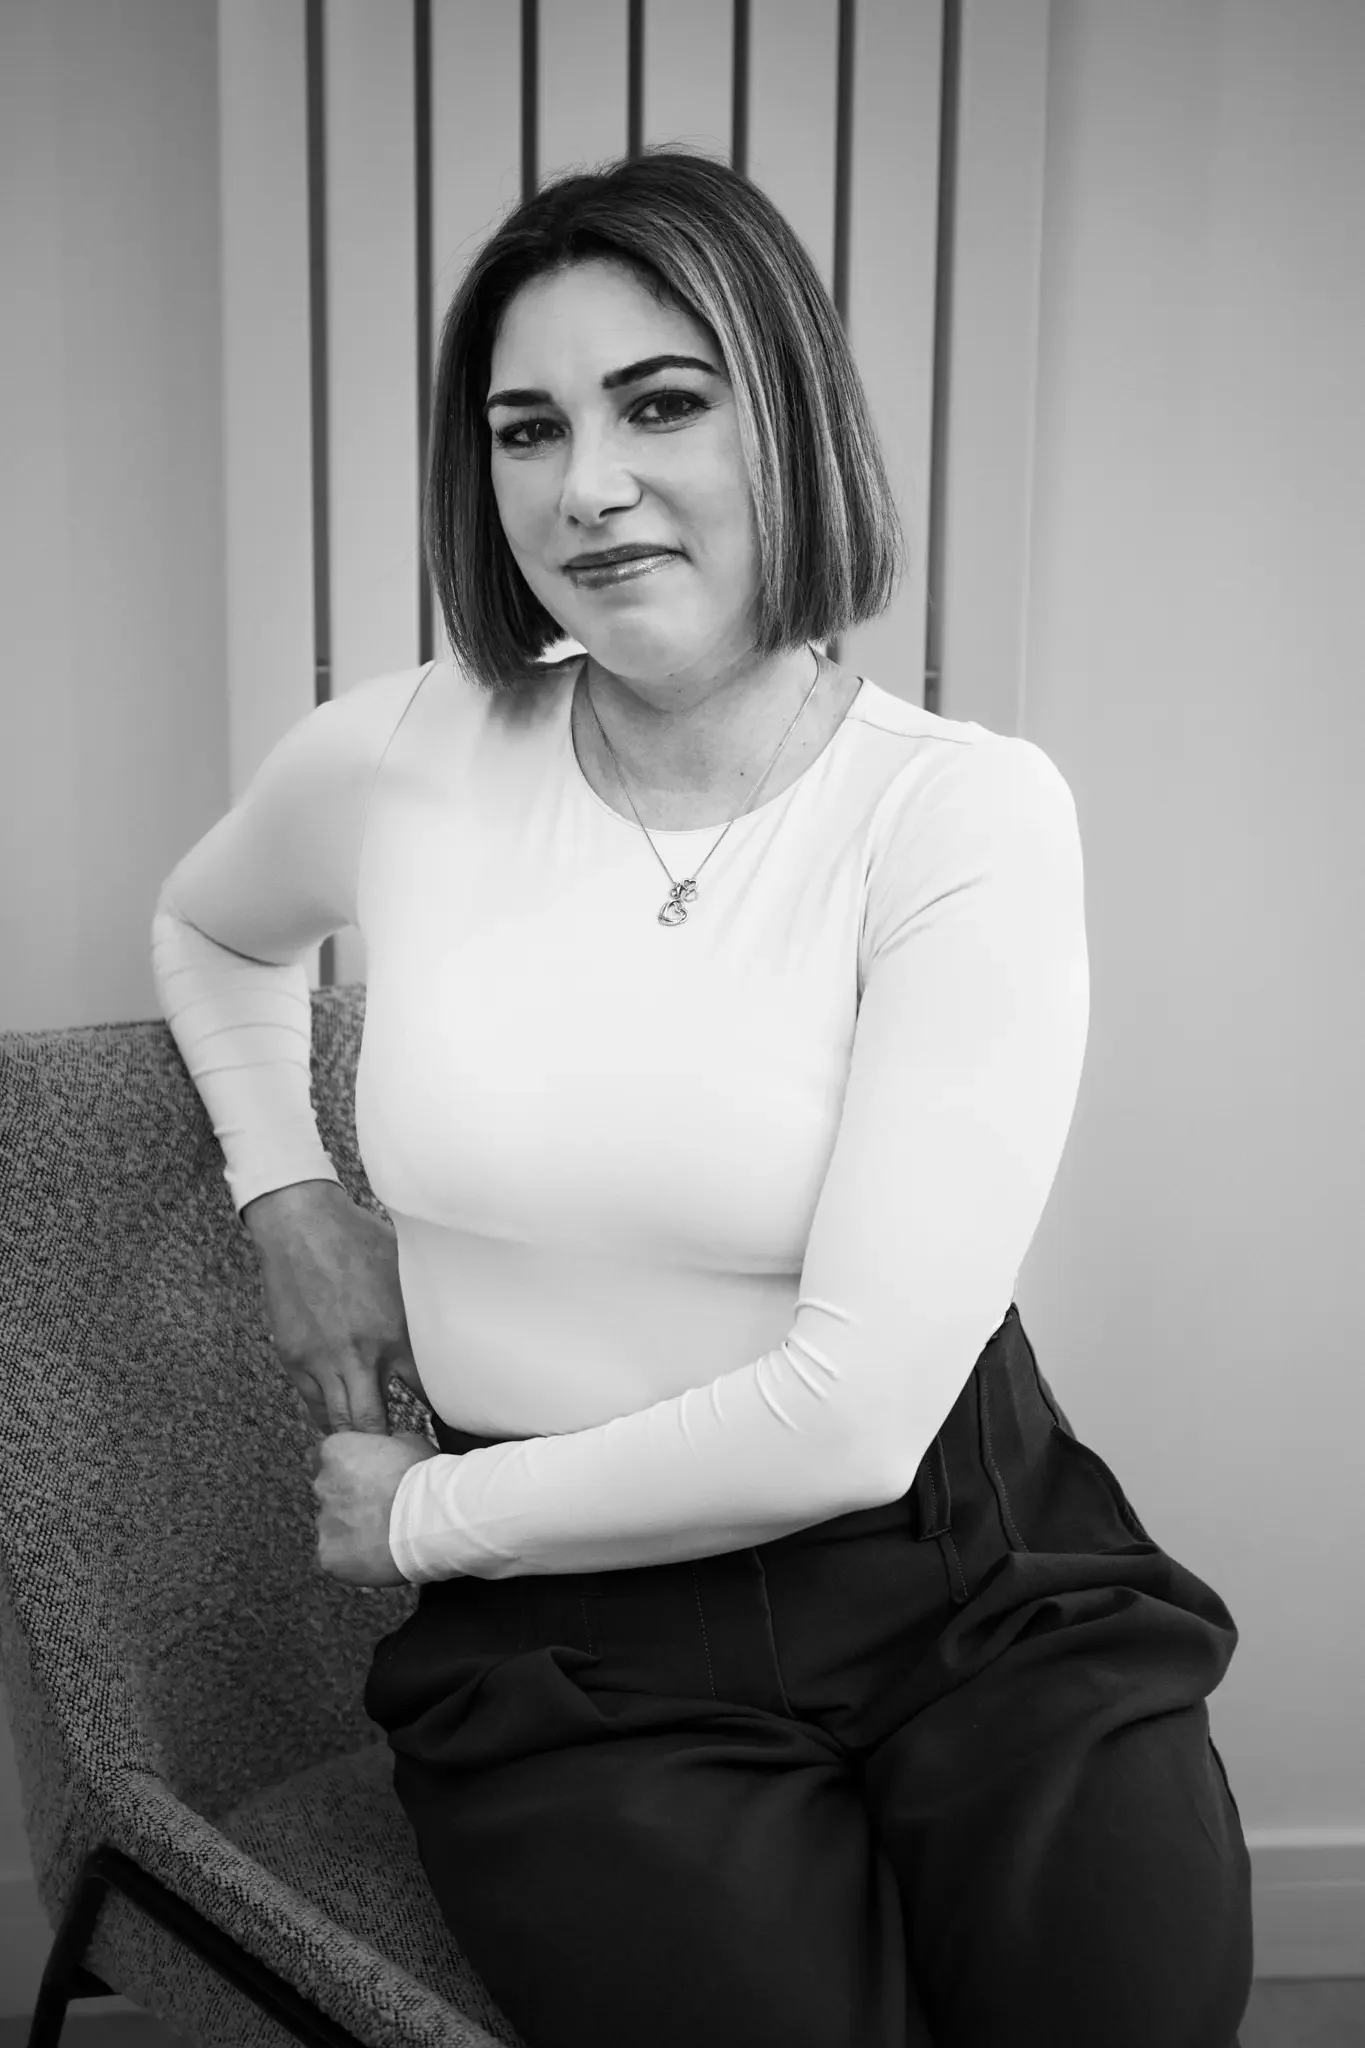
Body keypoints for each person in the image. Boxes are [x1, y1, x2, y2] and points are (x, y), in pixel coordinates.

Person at [151, 149, 1252, 2048]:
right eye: (525, 430)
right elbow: (210, 931)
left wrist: (419, 1525)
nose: (584, 488)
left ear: (795, 419)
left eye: (662, 403)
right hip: (577, 1646)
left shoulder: (958, 813)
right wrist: (287, 1195)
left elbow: (847, 1425)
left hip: (956, 1570)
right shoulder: (402, 755)